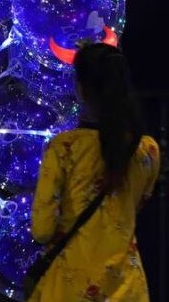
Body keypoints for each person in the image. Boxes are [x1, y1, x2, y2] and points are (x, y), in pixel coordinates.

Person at [29, 43, 160, 301]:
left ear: (81, 89)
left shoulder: (64, 148)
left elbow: (41, 230)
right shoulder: (147, 150)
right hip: (128, 289)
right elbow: (138, 204)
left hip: (68, 289)